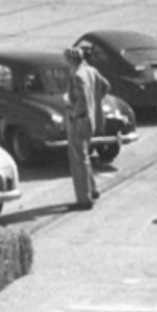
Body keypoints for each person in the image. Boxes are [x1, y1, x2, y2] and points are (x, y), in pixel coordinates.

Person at [64, 47, 109, 210]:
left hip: (80, 121)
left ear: (71, 60)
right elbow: (105, 86)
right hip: (90, 121)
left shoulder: (77, 76)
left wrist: (74, 114)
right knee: (84, 157)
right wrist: (94, 104)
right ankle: (92, 189)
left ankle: (84, 199)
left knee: (78, 161)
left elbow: (81, 100)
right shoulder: (91, 71)